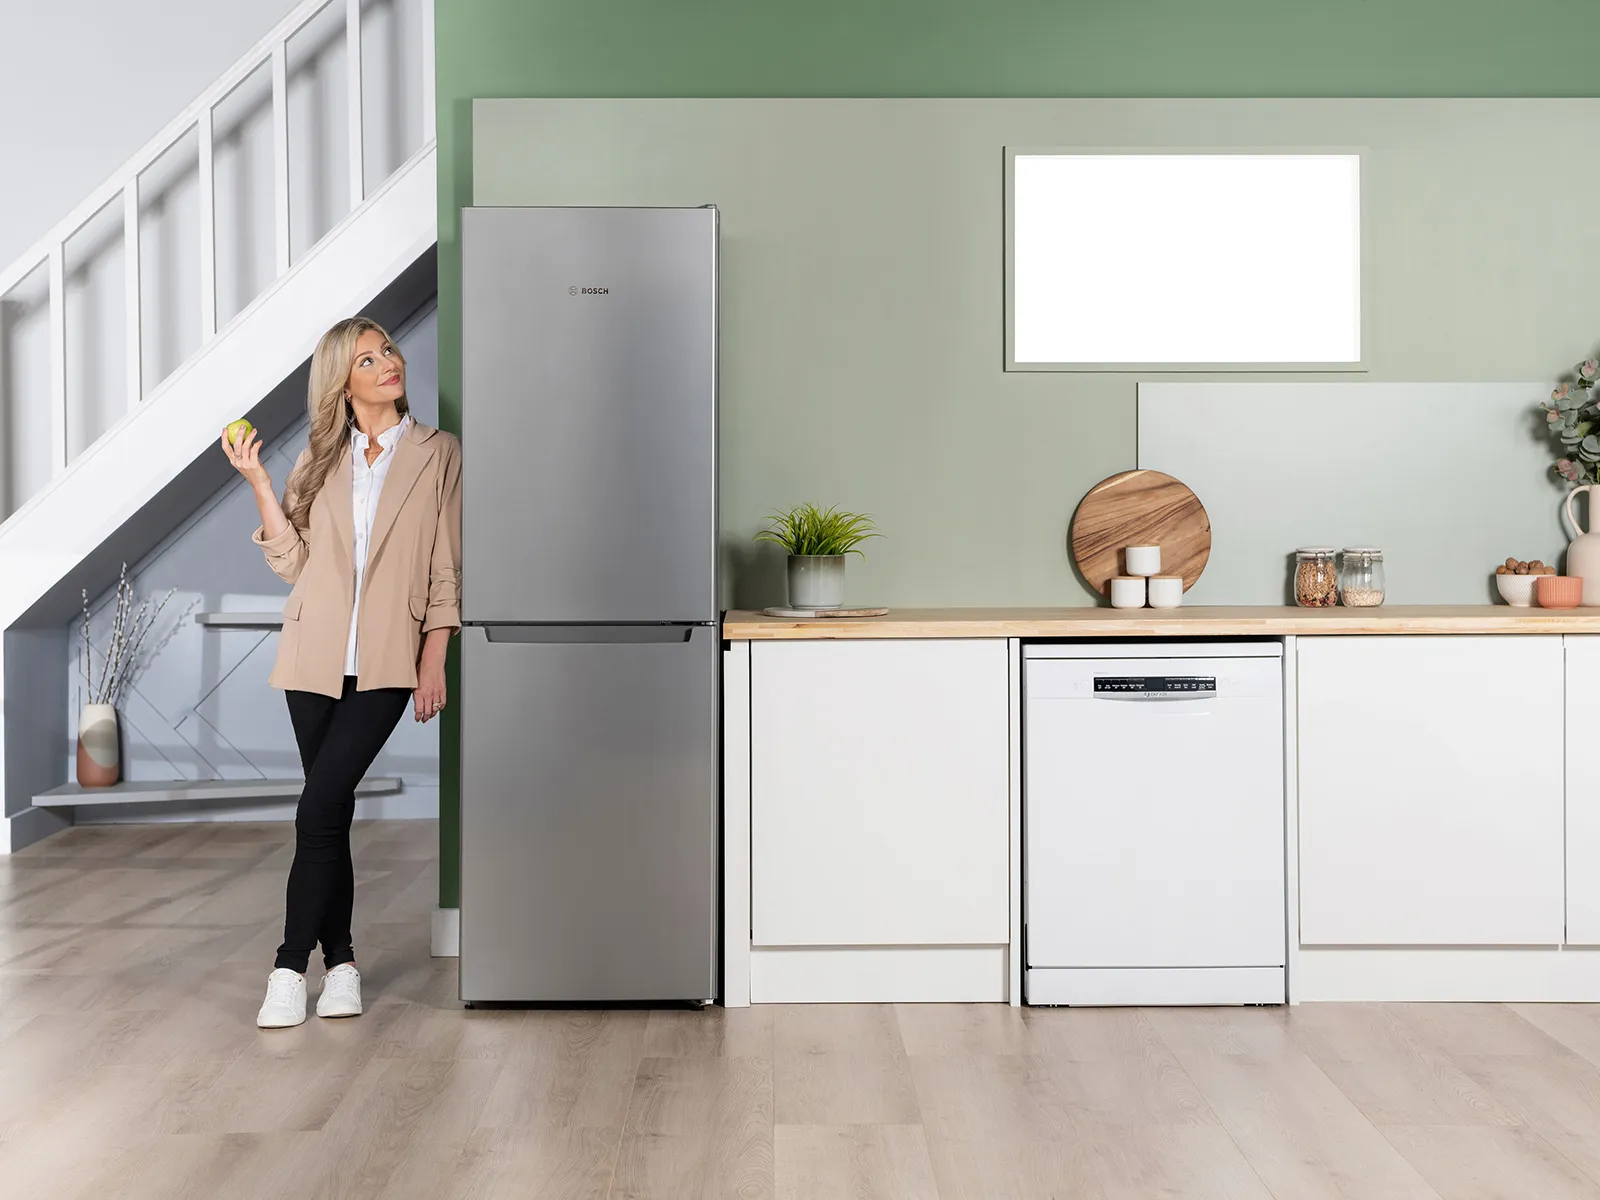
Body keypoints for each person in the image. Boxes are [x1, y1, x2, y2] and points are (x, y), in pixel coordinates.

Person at [222, 316, 462, 1029]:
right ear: (343, 382)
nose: (389, 362)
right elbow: (292, 563)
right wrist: (261, 480)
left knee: (316, 807)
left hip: (387, 661)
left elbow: (446, 567)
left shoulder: (438, 453)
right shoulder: (320, 458)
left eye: (388, 349)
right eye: (367, 358)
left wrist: (433, 660)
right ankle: (345, 965)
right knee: (330, 812)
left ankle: (289, 967)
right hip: (312, 657)